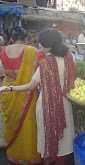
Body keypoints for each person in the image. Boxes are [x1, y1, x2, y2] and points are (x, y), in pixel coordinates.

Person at [0, 28, 78, 165]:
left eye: (42, 43)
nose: (40, 46)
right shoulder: (69, 56)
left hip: (46, 105)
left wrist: (9, 87)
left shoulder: (46, 62)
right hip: (65, 103)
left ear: (49, 43)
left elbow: (30, 86)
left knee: (49, 140)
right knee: (63, 142)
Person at [0, 27, 42, 164]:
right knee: (27, 124)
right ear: (26, 39)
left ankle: (13, 154)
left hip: (8, 90)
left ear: (11, 38)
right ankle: (29, 155)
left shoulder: (3, 50)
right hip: (25, 91)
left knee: (11, 122)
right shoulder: (31, 51)